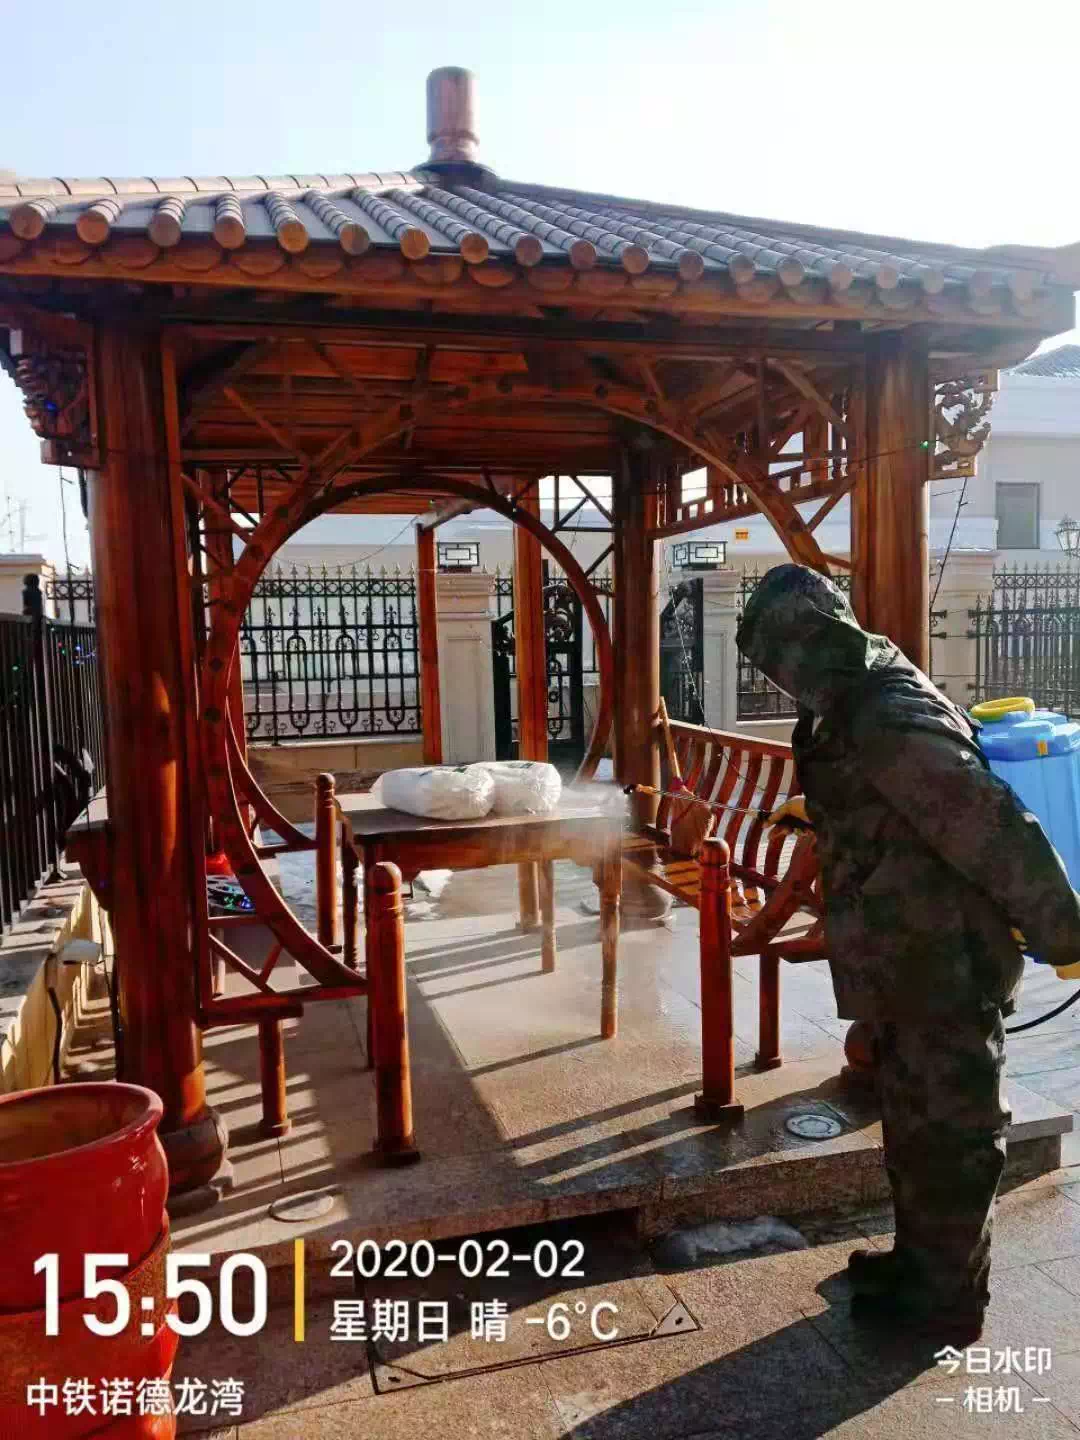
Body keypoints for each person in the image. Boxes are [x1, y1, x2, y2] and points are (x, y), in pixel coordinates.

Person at [736, 563, 1080, 1344]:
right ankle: (919, 1263)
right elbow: (888, 798)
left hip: (943, 960)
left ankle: (947, 1302)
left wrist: (1063, 929)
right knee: (914, 1124)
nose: (779, 679)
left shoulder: (882, 711)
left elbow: (987, 825)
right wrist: (823, 810)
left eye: (780, 660)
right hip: (900, 953)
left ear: (811, 640)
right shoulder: (845, 697)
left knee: (952, 1133)